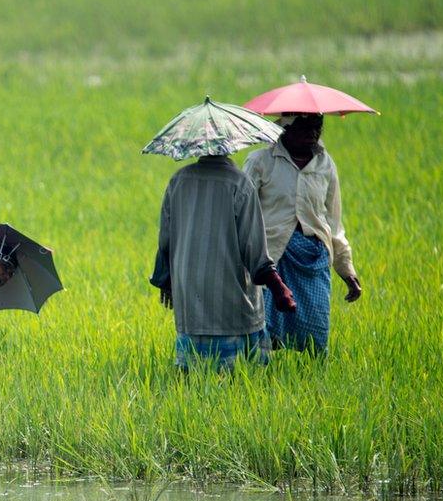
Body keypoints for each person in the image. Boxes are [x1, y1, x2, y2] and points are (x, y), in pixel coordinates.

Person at [150, 155, 296, 373]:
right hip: (232, 299)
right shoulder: (239, 183)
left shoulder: (178, 180)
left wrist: (165, 281)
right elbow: (255, 249)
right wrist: (279, 287)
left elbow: (165, 240)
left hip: (190, 298)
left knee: (192, 379)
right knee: (241, 381)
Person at [243, 114, 361, 355]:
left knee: (314, 333)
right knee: (265, 330)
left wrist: (346, 269)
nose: (312, 134)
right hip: (271, 256)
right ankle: (265, 378)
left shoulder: (325, 164)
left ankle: (309, 377)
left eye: (317, 127)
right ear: (285, 129)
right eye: (303, 127)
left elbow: (333, 221)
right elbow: (242, 212)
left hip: (313, 259)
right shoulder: (261, 162)